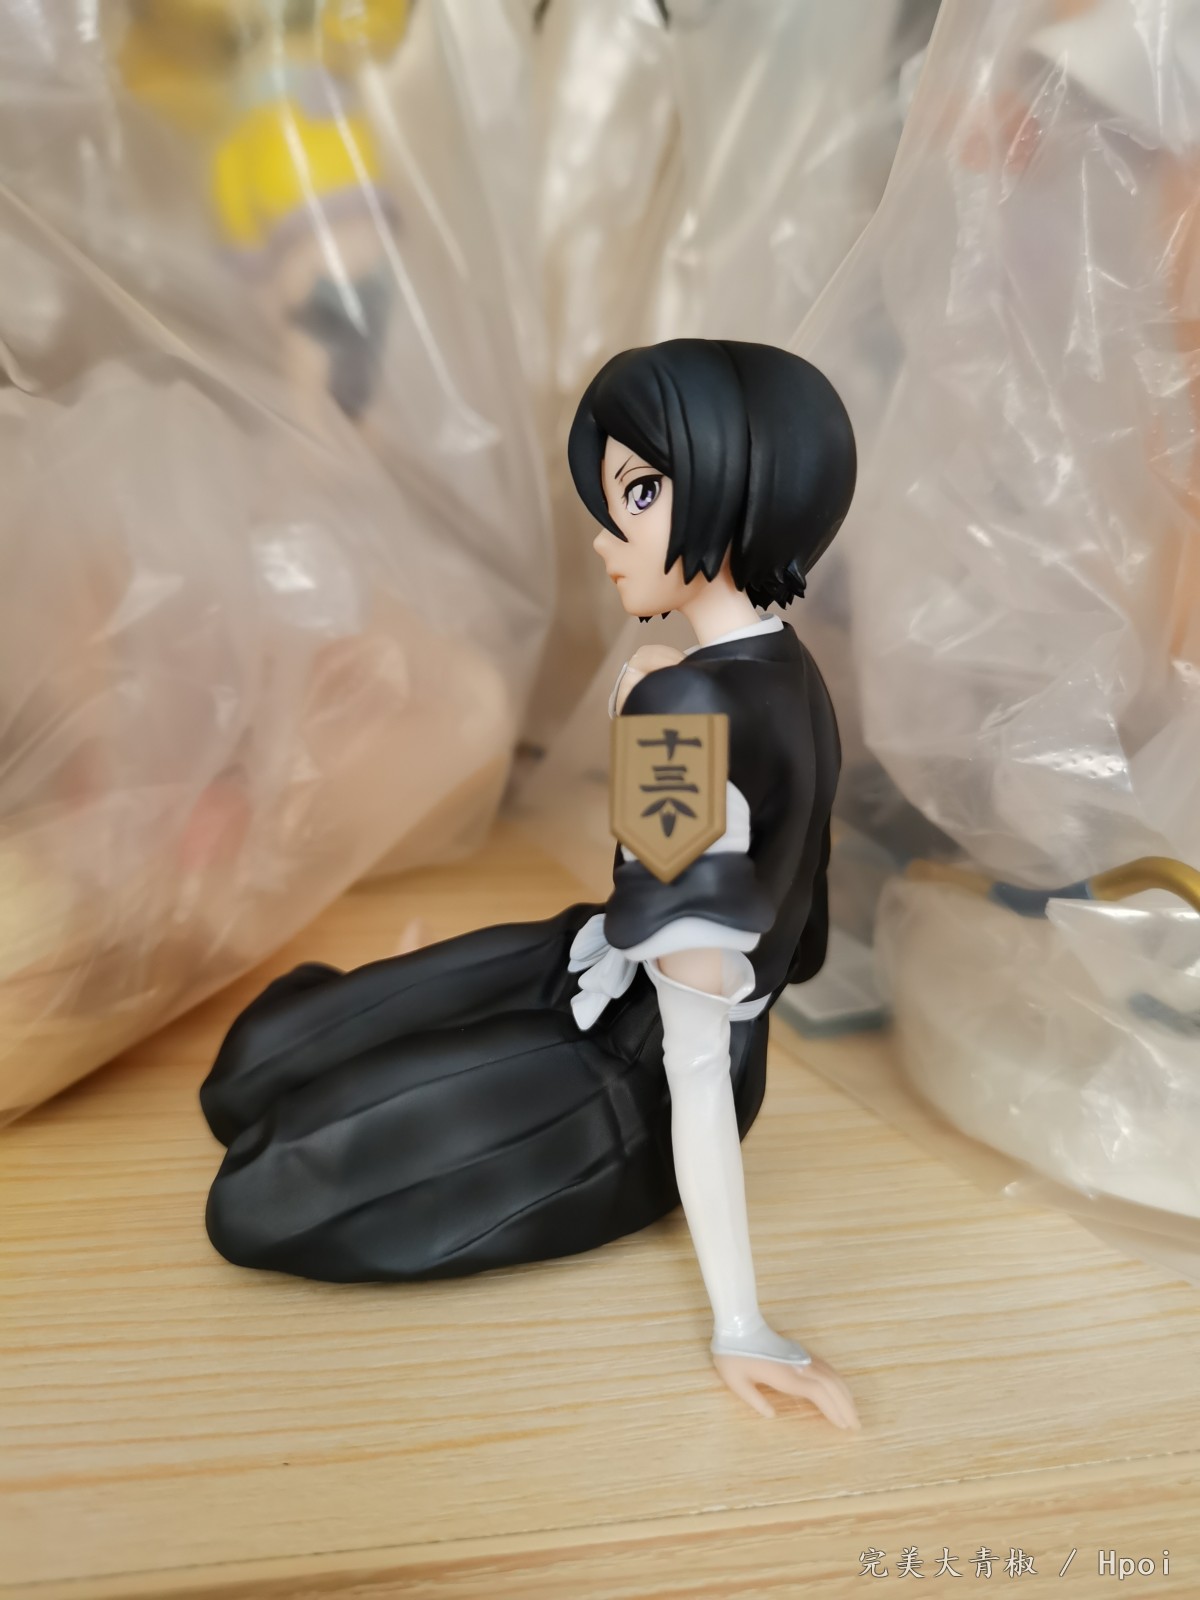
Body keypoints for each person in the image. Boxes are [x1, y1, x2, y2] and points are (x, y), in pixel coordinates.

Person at [200, 338, 859, 1425]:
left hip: (637, 1067)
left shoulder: (683, 712)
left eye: (640, 494)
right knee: (259, 1064)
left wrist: (741, 1323)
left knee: (268, 1185)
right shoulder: (770, 679)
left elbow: (697, 1058)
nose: (605, 536)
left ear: (738, 493)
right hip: (598, 962)